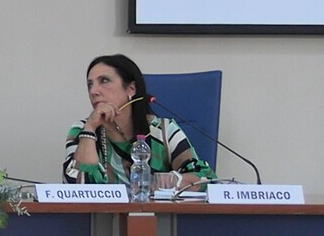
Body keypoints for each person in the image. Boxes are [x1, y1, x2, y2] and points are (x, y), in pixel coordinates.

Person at [63, 54, 215, 186]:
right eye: (90, 84)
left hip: (156, 211)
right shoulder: (82, 129)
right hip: (102, 212)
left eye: (104, 81)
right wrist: (90, 128)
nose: (93, 91)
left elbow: (205, 178)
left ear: (131, 89)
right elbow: (73, 186)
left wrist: (172, 181)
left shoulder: (162, 130)